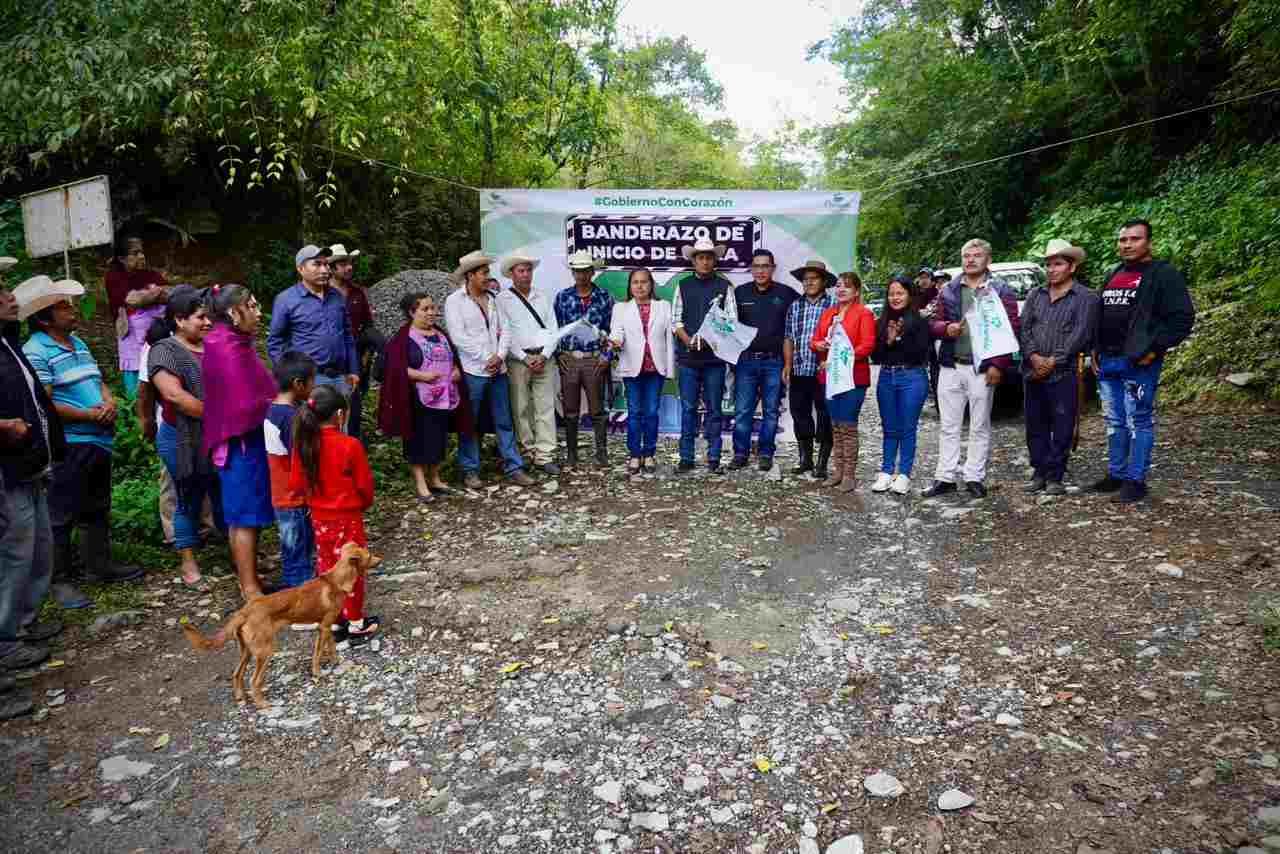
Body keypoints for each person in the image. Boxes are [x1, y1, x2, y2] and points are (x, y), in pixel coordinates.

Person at [20, 277, 142, 613]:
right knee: (61, 513)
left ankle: (99, 565)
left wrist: (109, 402)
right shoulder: (36, 350)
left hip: (97, 438)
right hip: (70, 442)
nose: (72, 311)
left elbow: (98, 380)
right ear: (44, 318)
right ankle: (60, 579)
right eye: (63, 307)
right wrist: (88, 415)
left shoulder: (78, 342)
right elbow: (44, 402)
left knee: (97, 506)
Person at [1092, 219, 1195, 504]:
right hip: (1108, 360)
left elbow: (1182, 318)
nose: (1127, 244)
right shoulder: (1114, 273)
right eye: (1123, 239)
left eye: (1135, 239)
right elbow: (1102, 314)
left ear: (1149, 242)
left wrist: (1155, 349)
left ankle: (1136, 481)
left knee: (1139, 420)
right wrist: (1095, 348)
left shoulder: (1163, 274)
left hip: (1139, 361)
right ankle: (1117, 474)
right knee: (1114, 420)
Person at [0, 280, 66, 681]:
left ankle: (25, 621)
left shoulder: (9, 342)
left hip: (30, 463)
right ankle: (6, 639)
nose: (11, 298)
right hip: (8, 469)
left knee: (38, 546)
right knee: (15, 552)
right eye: (1, 294)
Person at [922, 239, 1021, 499]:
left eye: (977, 255)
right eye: (966, 255)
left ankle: (974, 476)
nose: (971, 260)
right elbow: (933, 324)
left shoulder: (1000, 290)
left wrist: (998, 365)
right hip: (951, 365)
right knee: (948, 424)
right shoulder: (949, 289)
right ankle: (945, 477)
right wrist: (946, 328)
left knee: (979, 424)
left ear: (988, 260)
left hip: (982, 368)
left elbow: (1010, 329)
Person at [288, 384, 379, 642]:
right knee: (352, 567)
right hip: (348, 518)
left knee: (327, 567)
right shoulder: (350, 445)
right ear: (340, 414)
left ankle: (335, 620)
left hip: (319, 519)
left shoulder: (304, 445)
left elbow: (295, 484)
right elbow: (364, 486)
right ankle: (356, 622)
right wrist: (362, 503)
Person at [148, 286, 225, 588]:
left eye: (208, 317)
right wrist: (220, 416)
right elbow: (174, 396)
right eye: (200, 317)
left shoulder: (213, 345)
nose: (208, 322)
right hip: (181, 437)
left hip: (217, 435)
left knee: (223, 494)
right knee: (188, 497)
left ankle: (239, 551)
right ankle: (188, 562)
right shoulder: (164, 350)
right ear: (179, 320)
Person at [203, 284, 277, 600]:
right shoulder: (225, 346)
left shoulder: (233, 341)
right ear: (234, 312)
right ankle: (249, 587)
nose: (259, 313)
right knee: (244, 517)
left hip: (248, 439)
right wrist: (278, 404)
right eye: (253, 306)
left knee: (246, 515)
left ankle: (249, 578)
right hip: (240, 441)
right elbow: (242, 404)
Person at [443, 251, 535, 488]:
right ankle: (470, 470)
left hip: (498, 370)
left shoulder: (494, 298)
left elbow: (507, 330)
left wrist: (500, 356)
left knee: (504, 420)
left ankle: (513, 467)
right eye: (484, 273)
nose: (488, 277)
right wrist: (487, 358)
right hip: (473, 371)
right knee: (470, 422)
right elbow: (458, 337)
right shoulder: (455, 301)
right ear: (470, 275)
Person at [1020, 240, 1100, 496]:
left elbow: (1081, 333)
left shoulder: (1086, 297)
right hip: (1033, 370)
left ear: (1072, 267)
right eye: (1048, 264)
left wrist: (1054, 360)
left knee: (1063, 424)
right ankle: (1039, 472)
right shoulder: (1035, 295)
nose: (1052, 269)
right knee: (1035, 424)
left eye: (1058, 264)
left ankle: (1055, 476)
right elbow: (1025, 328)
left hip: (1065, 372)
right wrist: (1033, 356)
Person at [379, 292, 469, 501]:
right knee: (417, 439)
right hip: (417, 398)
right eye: (425, 309)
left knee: (438, 437)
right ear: (412, 313)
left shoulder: (441, 334)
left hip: (444, 397)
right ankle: (421, 483)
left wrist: (456, 370)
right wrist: (421, 376)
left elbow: (452, 359)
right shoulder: (402, 339)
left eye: (433, 308)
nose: (431, 313)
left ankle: (435, 478)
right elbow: (393, 368)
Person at [268, 245, 360, 419]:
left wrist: (354, 370)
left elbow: (348, 335)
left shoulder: (336, 296)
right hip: (310, 380)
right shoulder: (286, 300)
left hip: (341, 377)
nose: (324, 270)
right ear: (300, 269)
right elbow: (275, 342)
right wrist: (290, 377)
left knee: (340, 427)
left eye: (326, 264)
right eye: (317, 264)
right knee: (312, 428)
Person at [672, 237, 738, 473]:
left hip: (714, 360)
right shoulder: (683, 285)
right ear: (694, 261)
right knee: (688, 409)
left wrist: (711, 339)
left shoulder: (724, 287)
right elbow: (675, 320)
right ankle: (686, 458)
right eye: (700, 257)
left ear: (714, 260)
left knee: (714, 410)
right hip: (688, 359)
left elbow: (731, 322)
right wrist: (688, 340)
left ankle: (714, 458)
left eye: (709, 257)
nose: (705, 262)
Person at [730, 250, 797, 472]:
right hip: (746, 362)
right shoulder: (739, 293)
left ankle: (766, 453)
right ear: (751, 269)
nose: (760, 271)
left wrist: (789, 362)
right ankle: (740, 453)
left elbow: (798, 322)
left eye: (765, 266)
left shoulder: (786, 294)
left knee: (771, 411)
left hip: (774, 362)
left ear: (773, 268)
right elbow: (727, 327)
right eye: (756, 266)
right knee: (743, 411)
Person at [810, 272, 876, 493]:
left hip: (853, 378)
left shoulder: (864, 313)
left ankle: (849, 474)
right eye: (838, 285)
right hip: (830, 377)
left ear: (856, 291)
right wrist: (818, 345)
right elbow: (814, 340)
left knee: (848, 426)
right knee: (835, 426)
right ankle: (837, 471)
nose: (841, 289)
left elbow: (867, 345)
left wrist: (841, 356)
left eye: (847, 286)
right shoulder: (828, 313)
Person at [496, 249, 560, 474]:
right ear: (511, 274)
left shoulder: (542, 296)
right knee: (521, 408)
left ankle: (545, 455)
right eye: (521, 271)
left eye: (528, 270)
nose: (525, 274)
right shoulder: (502, 300)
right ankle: (527, 452)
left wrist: (544, 355)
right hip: (518, 360)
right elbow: (504, 333)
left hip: (544, 358)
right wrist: (524, 357)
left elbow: (553, 329)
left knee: (545, 407)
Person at [608, 268, 674, 476]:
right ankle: (635, 454)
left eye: (644, 282)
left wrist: (670, 368)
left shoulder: (663, 306)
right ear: (630, 286)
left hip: (656, 368)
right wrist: (615, 342)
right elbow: (616, 332)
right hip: (632, 368)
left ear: (651, 284)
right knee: (635, 412)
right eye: (635, 282)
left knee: (652, 412)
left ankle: (650, 453)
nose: (639, 286)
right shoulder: (621, 308)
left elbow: (669, 339)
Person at [870, 275, 932, 495]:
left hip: (912, 377)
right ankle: (886, 471)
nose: (895, 298)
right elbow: (876, 356)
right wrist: (888, 340)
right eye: (891, 294)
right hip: (887, 376)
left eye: (900, 293)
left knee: (907, 427)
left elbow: (920, 354)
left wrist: (898, 338)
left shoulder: (920, 321)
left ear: (909, 295)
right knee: (889, 427)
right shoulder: (881, 322)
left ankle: (904, 474)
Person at [554, 250, 615, 467]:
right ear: (572, 272)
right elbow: (554, 328)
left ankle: (601, 453)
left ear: (592, 272)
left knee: (597, 409)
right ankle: (572, 454)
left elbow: (614, 330)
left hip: (594, 358)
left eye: (585, 271)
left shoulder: (605, 297)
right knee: (570, 409)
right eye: (577, 271)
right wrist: (558, 354)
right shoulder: (562, 297)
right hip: (569, 358)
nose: (581, 275)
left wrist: (607, 356)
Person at [264, 351, 316, 588]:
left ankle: (293, 585)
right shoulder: (293, 419)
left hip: (281, 494)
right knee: (299, 549)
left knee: (291, 549)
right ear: (298, 384)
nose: (314, 386)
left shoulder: (271, 410)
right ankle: (302, 593)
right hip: (295, 497)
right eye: (312, 381)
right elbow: (301, 461)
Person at [785, 260, 836, 478]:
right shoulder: (795, 306)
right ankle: (805, 459)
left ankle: (822, 463)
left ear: (824, 282)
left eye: (814, 278)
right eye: (805, 279)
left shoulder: (834, 305)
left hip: (825, 370)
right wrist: (788, 364)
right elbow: (789, 337)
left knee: (825, 415)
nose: (809, 282)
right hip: (799, 368)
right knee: (799, 413)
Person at [326, 244, 382, 441]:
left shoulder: (358, 293)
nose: (349, 267)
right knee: (329, 403)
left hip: (356, 356)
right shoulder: (323, 293)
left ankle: (353, 444)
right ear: (331, 268)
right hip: (330, 357)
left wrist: (366, 356)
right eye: (343, 264)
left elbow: (368, 325)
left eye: (350, 263)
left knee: (355, 403)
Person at [104, 235, 168, 398]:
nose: (141, 256)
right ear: (122, 258)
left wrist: (145, 296)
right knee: (137, 387)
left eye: (142, 252)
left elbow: (168, 294)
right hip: (132, 338)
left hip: (157, 336)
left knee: (162, 374)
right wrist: (154, 293)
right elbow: (132, 300)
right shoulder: (114, 277)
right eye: (135, 253)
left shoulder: (151, 274)